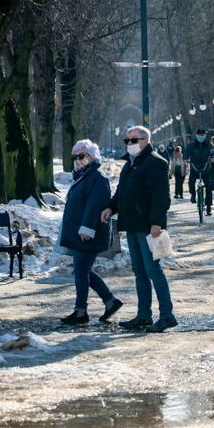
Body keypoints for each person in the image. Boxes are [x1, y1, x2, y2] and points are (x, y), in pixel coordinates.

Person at [100, 126, 176, 332]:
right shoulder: (129, 165)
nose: (129, 145)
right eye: (127, 141)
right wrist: (110, 207)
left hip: (148, 227)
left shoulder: (156, 162)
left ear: (145, 140)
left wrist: (156, 223)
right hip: (132, 225)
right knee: (139, 271)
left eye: (133, 140)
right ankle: (144, 315)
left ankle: (167, 315)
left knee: (153, 270)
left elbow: (161, 197)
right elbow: (121, 193)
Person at [58, 140, 123, 325]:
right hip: (82, 233)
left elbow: (94, 206)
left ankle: (81, 312)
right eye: (75, 156)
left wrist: (87, 228)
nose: (78, 160)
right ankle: (110, 302)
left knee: (81, 271)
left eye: (82, 156)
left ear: (93, 156)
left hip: (88, 233)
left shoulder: (97, 178)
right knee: (82, 270)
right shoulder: (83, 176)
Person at [184, 129, 214, 216]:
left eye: (203, 135)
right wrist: (185, 160)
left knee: (209, 187)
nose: (201, 137)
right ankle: (193, 195)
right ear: (196, 135)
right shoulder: (191, 145)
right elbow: (186, 153)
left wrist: (213, 158)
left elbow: (213, 153)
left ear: (205, 136)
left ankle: (208, 207)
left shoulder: (208, 145)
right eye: (199, 135)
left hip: (205, 168)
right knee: (191, 182)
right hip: (194, 168)